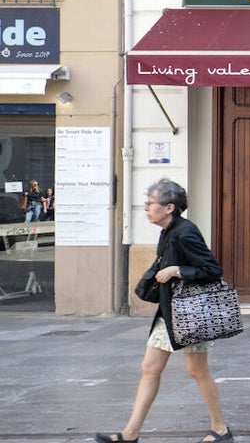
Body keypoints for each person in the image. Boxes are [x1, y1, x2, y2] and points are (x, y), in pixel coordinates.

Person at [95, 179, 234, 443]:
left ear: (168, 207)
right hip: (170, 313)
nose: (146, 208)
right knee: (150, 367)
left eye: (150, 204)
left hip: (189, 315)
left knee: (197, 371)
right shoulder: (169, 231)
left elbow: (213, 270)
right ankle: (130, 433)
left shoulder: (185, 233)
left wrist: (176, 270)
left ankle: (221, 428)